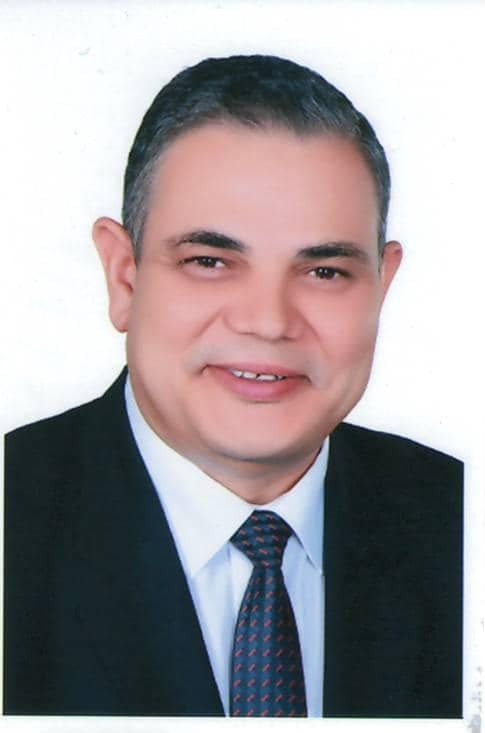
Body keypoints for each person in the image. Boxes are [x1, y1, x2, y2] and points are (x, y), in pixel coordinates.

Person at [3, 54, 463, 718]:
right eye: (210, 261)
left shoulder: (458, 518)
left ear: (380, 286)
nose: (268, 322)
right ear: (124, 276)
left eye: (325, 271)